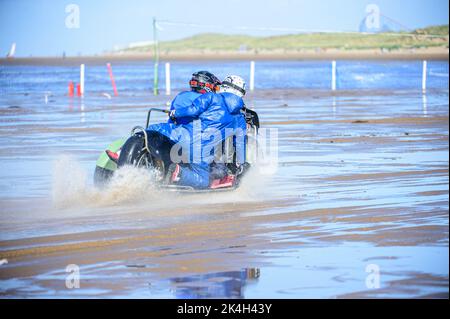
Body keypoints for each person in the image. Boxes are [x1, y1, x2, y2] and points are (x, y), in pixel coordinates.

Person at [166, 75, 248, 189]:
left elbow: (192, 110)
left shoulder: (210, 97)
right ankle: (178, 173)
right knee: (204, 181)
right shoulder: (239, 118)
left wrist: (175, 113)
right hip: (200, 149)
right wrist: (241, 164)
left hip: (181, 134)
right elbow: (240, 145)